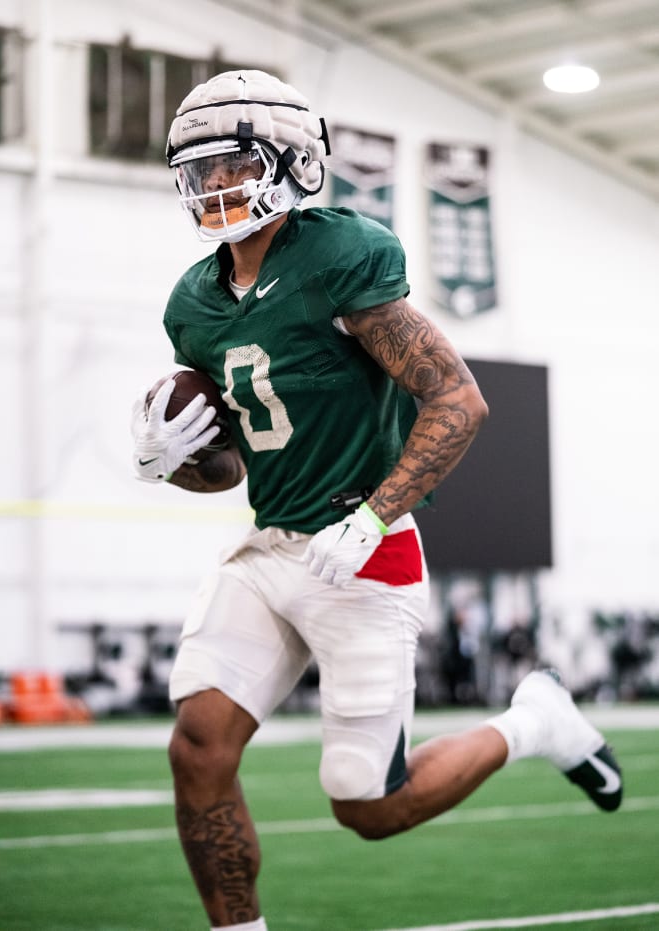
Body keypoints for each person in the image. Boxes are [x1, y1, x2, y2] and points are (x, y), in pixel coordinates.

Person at [131, 70, 622, 931]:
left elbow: (458, 401)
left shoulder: (338, 255)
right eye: (199, 171)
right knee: (197, 748)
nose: (215, 187)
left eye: (232, 164)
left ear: (290, 163)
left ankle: (533, 722)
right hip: (270, 547)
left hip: (368, 548)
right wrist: (169, 459)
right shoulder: (194, 303)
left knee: (368, 804)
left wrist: (372, 516)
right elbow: (231, 470)